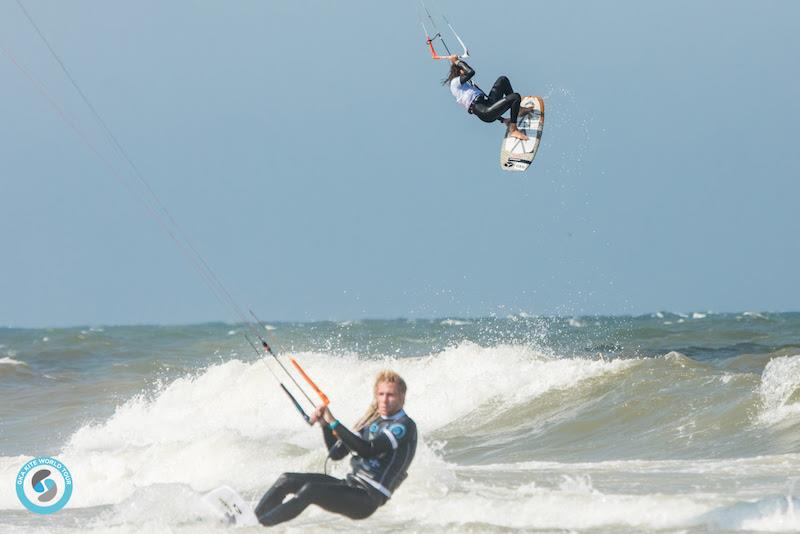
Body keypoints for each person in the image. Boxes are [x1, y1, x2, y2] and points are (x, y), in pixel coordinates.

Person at [254, 370, 417, 527]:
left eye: (390, 395)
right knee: (286, 480)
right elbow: (336, 453)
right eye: (381, 394)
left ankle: (259, 527)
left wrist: (333, 421)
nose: (384, 400)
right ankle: (251, 520)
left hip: (367, 497)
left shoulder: (404, 426)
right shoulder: (372, 423)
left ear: (402, 397)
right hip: (350, 485)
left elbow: (369, 449)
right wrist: (325, 425)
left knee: (311, 490)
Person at [445, 54, 531, 141]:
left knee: (502, 80)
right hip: (485, 113)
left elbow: (486, 104)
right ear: (460, 71)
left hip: (487, 104)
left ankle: (519, 110)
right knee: (515, 97)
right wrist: (456, 61)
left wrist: (503, 120)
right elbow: (471, 72)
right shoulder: (454, 83)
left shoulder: (465, 87)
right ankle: (513, 130)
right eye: (463, 69)